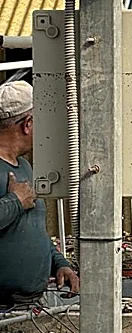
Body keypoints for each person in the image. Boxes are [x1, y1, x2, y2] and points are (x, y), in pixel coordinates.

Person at [0, 80, 79, 305]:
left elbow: (34, 228)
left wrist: (59, 263)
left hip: (28, 304)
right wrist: (14, 202)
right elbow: (16, 206)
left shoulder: (24, 166)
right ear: (27, 123)